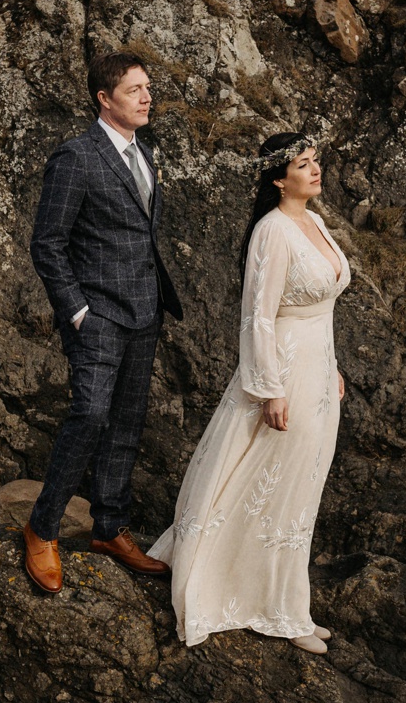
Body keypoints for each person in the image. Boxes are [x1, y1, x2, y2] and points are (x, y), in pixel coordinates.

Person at [148, 131, 349, 654]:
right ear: (279, 179)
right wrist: (269, 389)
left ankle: (287, 600)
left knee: (300, 490)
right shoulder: (272, 230)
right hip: (283, 370)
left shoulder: (316, 223)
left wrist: (334, 368)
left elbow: (321, 306)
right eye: (302, 165)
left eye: (315, 161)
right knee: (274, 485)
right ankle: (274, 607)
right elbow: (258, 316)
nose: (314, 169)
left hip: (318, 368)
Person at [24, 49, 183, 594]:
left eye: (147, 88)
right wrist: (78, 311)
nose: (146, 97)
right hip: (97, 315)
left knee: (126, 422)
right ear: (104, 98)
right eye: (134, 90)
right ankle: (42, 528)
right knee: (90, 415)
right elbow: (47, 244)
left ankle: (109, 527)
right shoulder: (76, 157)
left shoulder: (147, 151)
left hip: (144, 311)